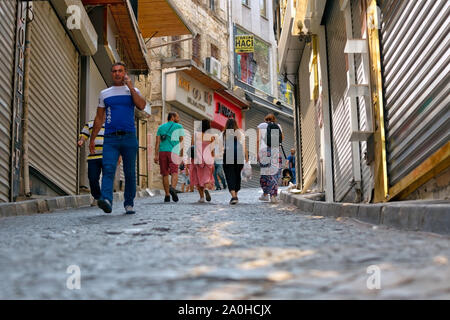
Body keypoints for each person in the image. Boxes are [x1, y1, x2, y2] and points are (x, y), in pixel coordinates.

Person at [89, 62, 146, 215]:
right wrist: (92, 139)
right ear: (111, 73)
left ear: (125, 72)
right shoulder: (105, 93)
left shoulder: (133, 91)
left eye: (120, 71)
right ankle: (106, 200)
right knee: (108, 169)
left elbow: (141, 105)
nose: (117, 74)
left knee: (129, 172)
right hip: (110, 139)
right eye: (114, 71)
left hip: (129, 138)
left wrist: (131, 87)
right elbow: (99, 118)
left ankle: (129, 203)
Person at [154, 112, 185, 203]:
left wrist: (156, 155)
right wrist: (181, 156)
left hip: (162, 152)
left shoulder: (161, 127)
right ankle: (173, 188)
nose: (178, 118)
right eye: (177, 117)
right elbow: (181, 142)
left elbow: (157, 143)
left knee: (165, 174)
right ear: (172, 117)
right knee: (175, 172)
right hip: (174, 152)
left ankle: (167, 195)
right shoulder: (179, 126)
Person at [257, 113, 284, 203]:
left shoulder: (261, 126)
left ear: (265, 119)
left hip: (264, 151)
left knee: (265, 175)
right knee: (275, 173)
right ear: (274, 119)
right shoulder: (278, 126)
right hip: (275, 151)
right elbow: (282, 138)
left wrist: (257, 153)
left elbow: (258, 140)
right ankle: (273, 195)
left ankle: (265, 194)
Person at [77, 120, 105, 205]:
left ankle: (106, 198)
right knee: (92, 178)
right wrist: (81, 141)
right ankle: (97, 197)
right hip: (93, 156)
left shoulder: (112, 124)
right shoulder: (90, 124)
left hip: (108, 156)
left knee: (107, 178)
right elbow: (84, 135)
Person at [222, 118, 247, 205]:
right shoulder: (240, 133)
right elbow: (244, 147)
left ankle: (233, 196)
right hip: (239, 156)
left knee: (229, 175)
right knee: (237, 175)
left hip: (228, 156)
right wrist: (246, 159)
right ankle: (235, 195)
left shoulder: (224, 134)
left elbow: (221, 147)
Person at [190, 119, 215, 203]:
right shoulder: (211, 136)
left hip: (198, 159)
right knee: (206, 178)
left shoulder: (195, 135)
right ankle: (206, 188)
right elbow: (212, 150)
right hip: (208, 159)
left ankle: (201, 197)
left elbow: (192, 147)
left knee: (198, 177)